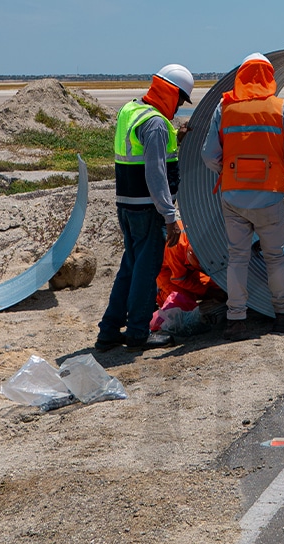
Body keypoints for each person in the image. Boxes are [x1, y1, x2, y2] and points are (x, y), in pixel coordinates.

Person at [201, 53, 284, 341]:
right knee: (275, 258)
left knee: (237, 258)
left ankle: (236, 321)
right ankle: (283, 315)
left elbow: (209, 154)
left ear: (241, 76)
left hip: (233, 195)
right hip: (269, 195)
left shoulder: (225, 108)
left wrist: (229, 170)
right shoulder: (282, 109)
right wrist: (279, 166)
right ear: (269, 76)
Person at [95, 63, 194, 351]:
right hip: (147, 210)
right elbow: (155, 173)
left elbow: (145, 151)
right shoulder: (156, 124)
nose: (179, 106)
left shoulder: (132, 111)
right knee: (146, 271)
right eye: (180, 99)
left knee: (130, 267)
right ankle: (138, 333)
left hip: (127, 206)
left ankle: (109, 330)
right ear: (172, 93)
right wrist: (169, 215)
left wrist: (178, 136)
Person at [156, 220, 228, 306]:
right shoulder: (175, 250)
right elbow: (179, 279)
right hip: (166, 272)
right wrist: (208, 292)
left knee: (219, 285)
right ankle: (158, 293)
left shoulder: (202, 236)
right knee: (181, 301)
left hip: (186, 268)